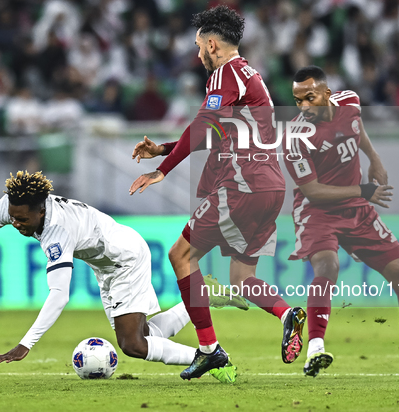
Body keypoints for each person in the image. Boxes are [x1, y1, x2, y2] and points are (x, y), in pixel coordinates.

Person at [0, 171, 234, 383]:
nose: (16, 224)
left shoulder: (57, 230)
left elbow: (59, 295)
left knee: (133, 344)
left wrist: (26, 344)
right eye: (12, 218)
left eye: (23, 220)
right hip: (105, 263)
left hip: (124, 259)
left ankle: (208, 356)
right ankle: (201, 295)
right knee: (144, 333)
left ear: (41, 211)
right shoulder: (11, 207)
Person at [129, 5, 306, 380]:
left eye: (198, 47)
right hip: (272, 188)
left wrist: (163, 169)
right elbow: (215, 132)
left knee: (180, 255)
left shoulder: (224, 74)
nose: (197, 55)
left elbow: (204, 123)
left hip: (242, 186)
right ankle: (287, 313)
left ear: (212, 44)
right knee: (242, 279)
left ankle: (209, 350)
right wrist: (163, 148)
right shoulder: (250, 76)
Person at [282, 65, 399, 377]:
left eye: (310, 98)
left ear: (327, 94)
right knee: (327, 266)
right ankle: (315, 349)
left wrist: (374, 158)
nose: (304, 107)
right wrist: (365, 190)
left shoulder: (350, 102)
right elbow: (312, 190)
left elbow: (357, 129)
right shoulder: (295, 139)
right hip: (316, 211)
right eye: (298, 100)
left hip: (356, 209)